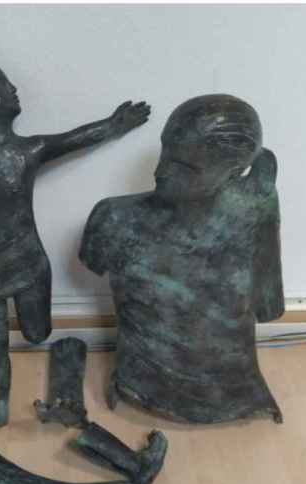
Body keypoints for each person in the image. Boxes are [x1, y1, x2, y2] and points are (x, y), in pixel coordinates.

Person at [0, 62, 149, 427]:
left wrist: (113, 125)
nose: (13, 89)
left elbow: (72, 139)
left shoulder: (27, 150)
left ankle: (38, 359)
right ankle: (0, 398)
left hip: (27, 261)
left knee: (38, 334)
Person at [80, 95, 284, 424]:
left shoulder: (256, 210)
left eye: (184, 166)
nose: (160, 171)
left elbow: (268, 305)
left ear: (233, 172)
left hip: (234, 390)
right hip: (140, 382)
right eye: (165, 151)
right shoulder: (113, 219)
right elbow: (269, 306)